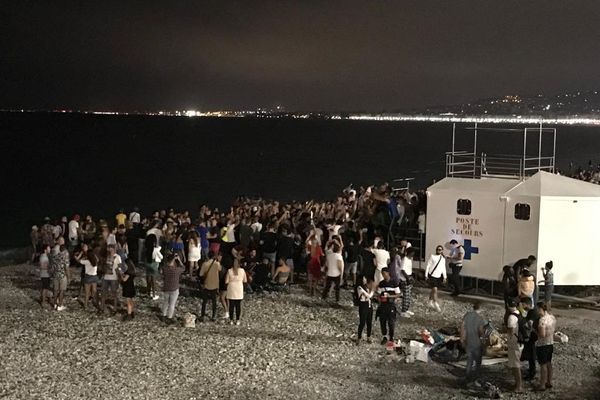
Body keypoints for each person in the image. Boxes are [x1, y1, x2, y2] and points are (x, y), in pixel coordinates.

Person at [460, 301, 485, 383]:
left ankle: (467, 377)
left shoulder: (467, 315)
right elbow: (481, 332)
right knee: (477, 362)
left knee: (469, 360)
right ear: (480, 309)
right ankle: (475, 379)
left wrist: (462, 340)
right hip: (476, 342)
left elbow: (463, 328)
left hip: (468, 341)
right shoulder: (480, 318)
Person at [376, 268, 400, 345]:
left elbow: (399, 294)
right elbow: (379, 294)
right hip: (383, 305)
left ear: (388, 273)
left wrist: (390, 296)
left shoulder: (394, 282)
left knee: (391, 322)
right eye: (382, 274)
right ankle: (384, 337)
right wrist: (379, 298)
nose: (383, 275)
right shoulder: (381, 283)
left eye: (384, 273)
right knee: (382, 321)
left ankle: (391, 337)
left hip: (391, 305)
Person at [536, 302, 556, 391]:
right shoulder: (552, 317)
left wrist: (534, 330)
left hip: (542, 344)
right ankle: (549, 381)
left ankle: (542, 385)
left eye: (537, 309)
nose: (536, 311)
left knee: (543, 365)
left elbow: (542, 334)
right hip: (550, 343)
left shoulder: (542, 320)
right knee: (549, 363)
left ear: (541, 309)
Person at [160, 253, 185, 324]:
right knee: (172, 304)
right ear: (174, 261)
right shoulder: (177, 270)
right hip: (174, 288)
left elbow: (165, 267)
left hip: (166, 288)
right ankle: (169, 317)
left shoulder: (164, 268)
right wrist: (179, 260)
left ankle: (163, 316)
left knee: (165, 302)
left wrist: (173, 259)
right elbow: (183, 268)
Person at [507, 299, 525, 393]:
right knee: (515, 364)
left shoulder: (511, 317)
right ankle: (517, 384)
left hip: (514, 343)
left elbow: (510, 331)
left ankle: (519, 386)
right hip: (520, 342)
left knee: (516, 365)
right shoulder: (519, 313)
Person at [520, 297, 539, 381]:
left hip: (532, 336)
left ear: (527, 304)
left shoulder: (532, 312)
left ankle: (532, 373)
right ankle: (531, 370)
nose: (522, 306)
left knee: (531, 355)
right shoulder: (532, 311)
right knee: (531, 354)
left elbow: (529, 324)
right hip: (533, 336)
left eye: (523, 304)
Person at [199, 252, 223, 322]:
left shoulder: (205, 264)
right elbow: (220, 269)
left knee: (204, 301)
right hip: (215, 284)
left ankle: (202, 315)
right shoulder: (216, 264)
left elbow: (201, 274)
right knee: (214, 301)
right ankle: (213, 316)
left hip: (206, 284)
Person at [424, 245, 447, 312]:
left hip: (438, 276)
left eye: (440, 249)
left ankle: (430, 301)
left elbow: (443, 268)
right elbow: (428, 265)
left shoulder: (443, 259)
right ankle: (436, 303)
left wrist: (445, 277)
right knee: (435, 290)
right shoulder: (432, 256)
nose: (439, 250)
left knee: (433, 290)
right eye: (438, 249)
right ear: (436, 250)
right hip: (432, 276)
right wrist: (426, 275)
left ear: (442, 250)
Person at [225, 258, 247, 325]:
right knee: (238, 306)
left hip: (231, 288)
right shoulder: (242, 271)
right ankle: (237, 320)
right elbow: (245, 280)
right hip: (239, 288)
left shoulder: (229, 271)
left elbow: (226, 281)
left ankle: (231, 320)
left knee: (231, 305)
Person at [100, 245, 121, 314]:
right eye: (109, 250)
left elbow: (119, 268)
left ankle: (115, 308)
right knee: (103, 293)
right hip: (105, 277)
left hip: (114, 278)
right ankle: (102, 307)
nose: (110, 251)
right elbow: (103, 266)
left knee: (114, 294)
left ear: (114, 250)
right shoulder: (106, 257)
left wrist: (119, 279)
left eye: (111, 250)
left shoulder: (117, 257)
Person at [50, 240, 70, 311]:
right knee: (62, 291)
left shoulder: (55, 257)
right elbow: (66, 268)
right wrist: (69, 277)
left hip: (55, 275)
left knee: (55, 290)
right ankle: (60, 305)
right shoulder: (64, 257)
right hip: (62, 275)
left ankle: (55, 304)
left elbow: (52, 267)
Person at [322, 239, 344, 303]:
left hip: (330, 273)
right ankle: (337, 299)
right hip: (336, 274)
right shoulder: (338, 256)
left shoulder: (329, 255)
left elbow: (327, 264)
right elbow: (340, 267)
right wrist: (341, 275)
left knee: (327, 286)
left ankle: (324, 297)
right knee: (337, 288)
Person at [355, 275, 374, 344]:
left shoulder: (366, 287)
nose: (365, 280)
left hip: (369, 305)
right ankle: (359, 337)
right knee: (362, 322)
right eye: (363, 279)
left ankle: (368, 337)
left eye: (365, 278)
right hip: (363, 306)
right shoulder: (359, 288)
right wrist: (372, 292)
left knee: (369, 322)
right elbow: (368, 296)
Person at [399, 248, 415, 318]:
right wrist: (407, 278)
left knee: (408, 296)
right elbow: (402, 270)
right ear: (410, 252)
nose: (413, 254)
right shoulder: (404, 259)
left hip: (409, 278)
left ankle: (406, 309)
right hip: (404, 279)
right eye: (412, 253)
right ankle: (403, 311)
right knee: (406, 296)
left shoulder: (409, 259)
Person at [146, 235, 162, 300]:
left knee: (148, 280)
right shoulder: (155, 249)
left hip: (148, 264)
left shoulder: (147, 249)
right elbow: (161, 257)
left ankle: (148, 292)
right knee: (153, 281)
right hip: (154, 265)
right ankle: (154, 295)